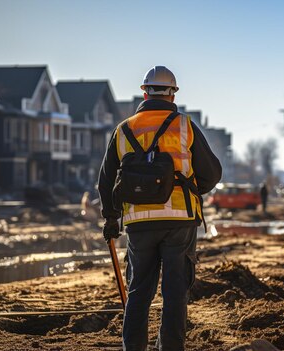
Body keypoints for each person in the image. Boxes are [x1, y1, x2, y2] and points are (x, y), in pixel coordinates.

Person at [98, 66, 222, 351]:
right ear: (173, 94)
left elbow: (106, 180)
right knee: (175, 293)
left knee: (139, 291)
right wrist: (190, 190)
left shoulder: (124, 129)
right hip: (180, 221)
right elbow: (212, 174)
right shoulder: (184, 126)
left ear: (144, 92)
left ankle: (134, 348)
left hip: (139, 223)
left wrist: (111, 218)